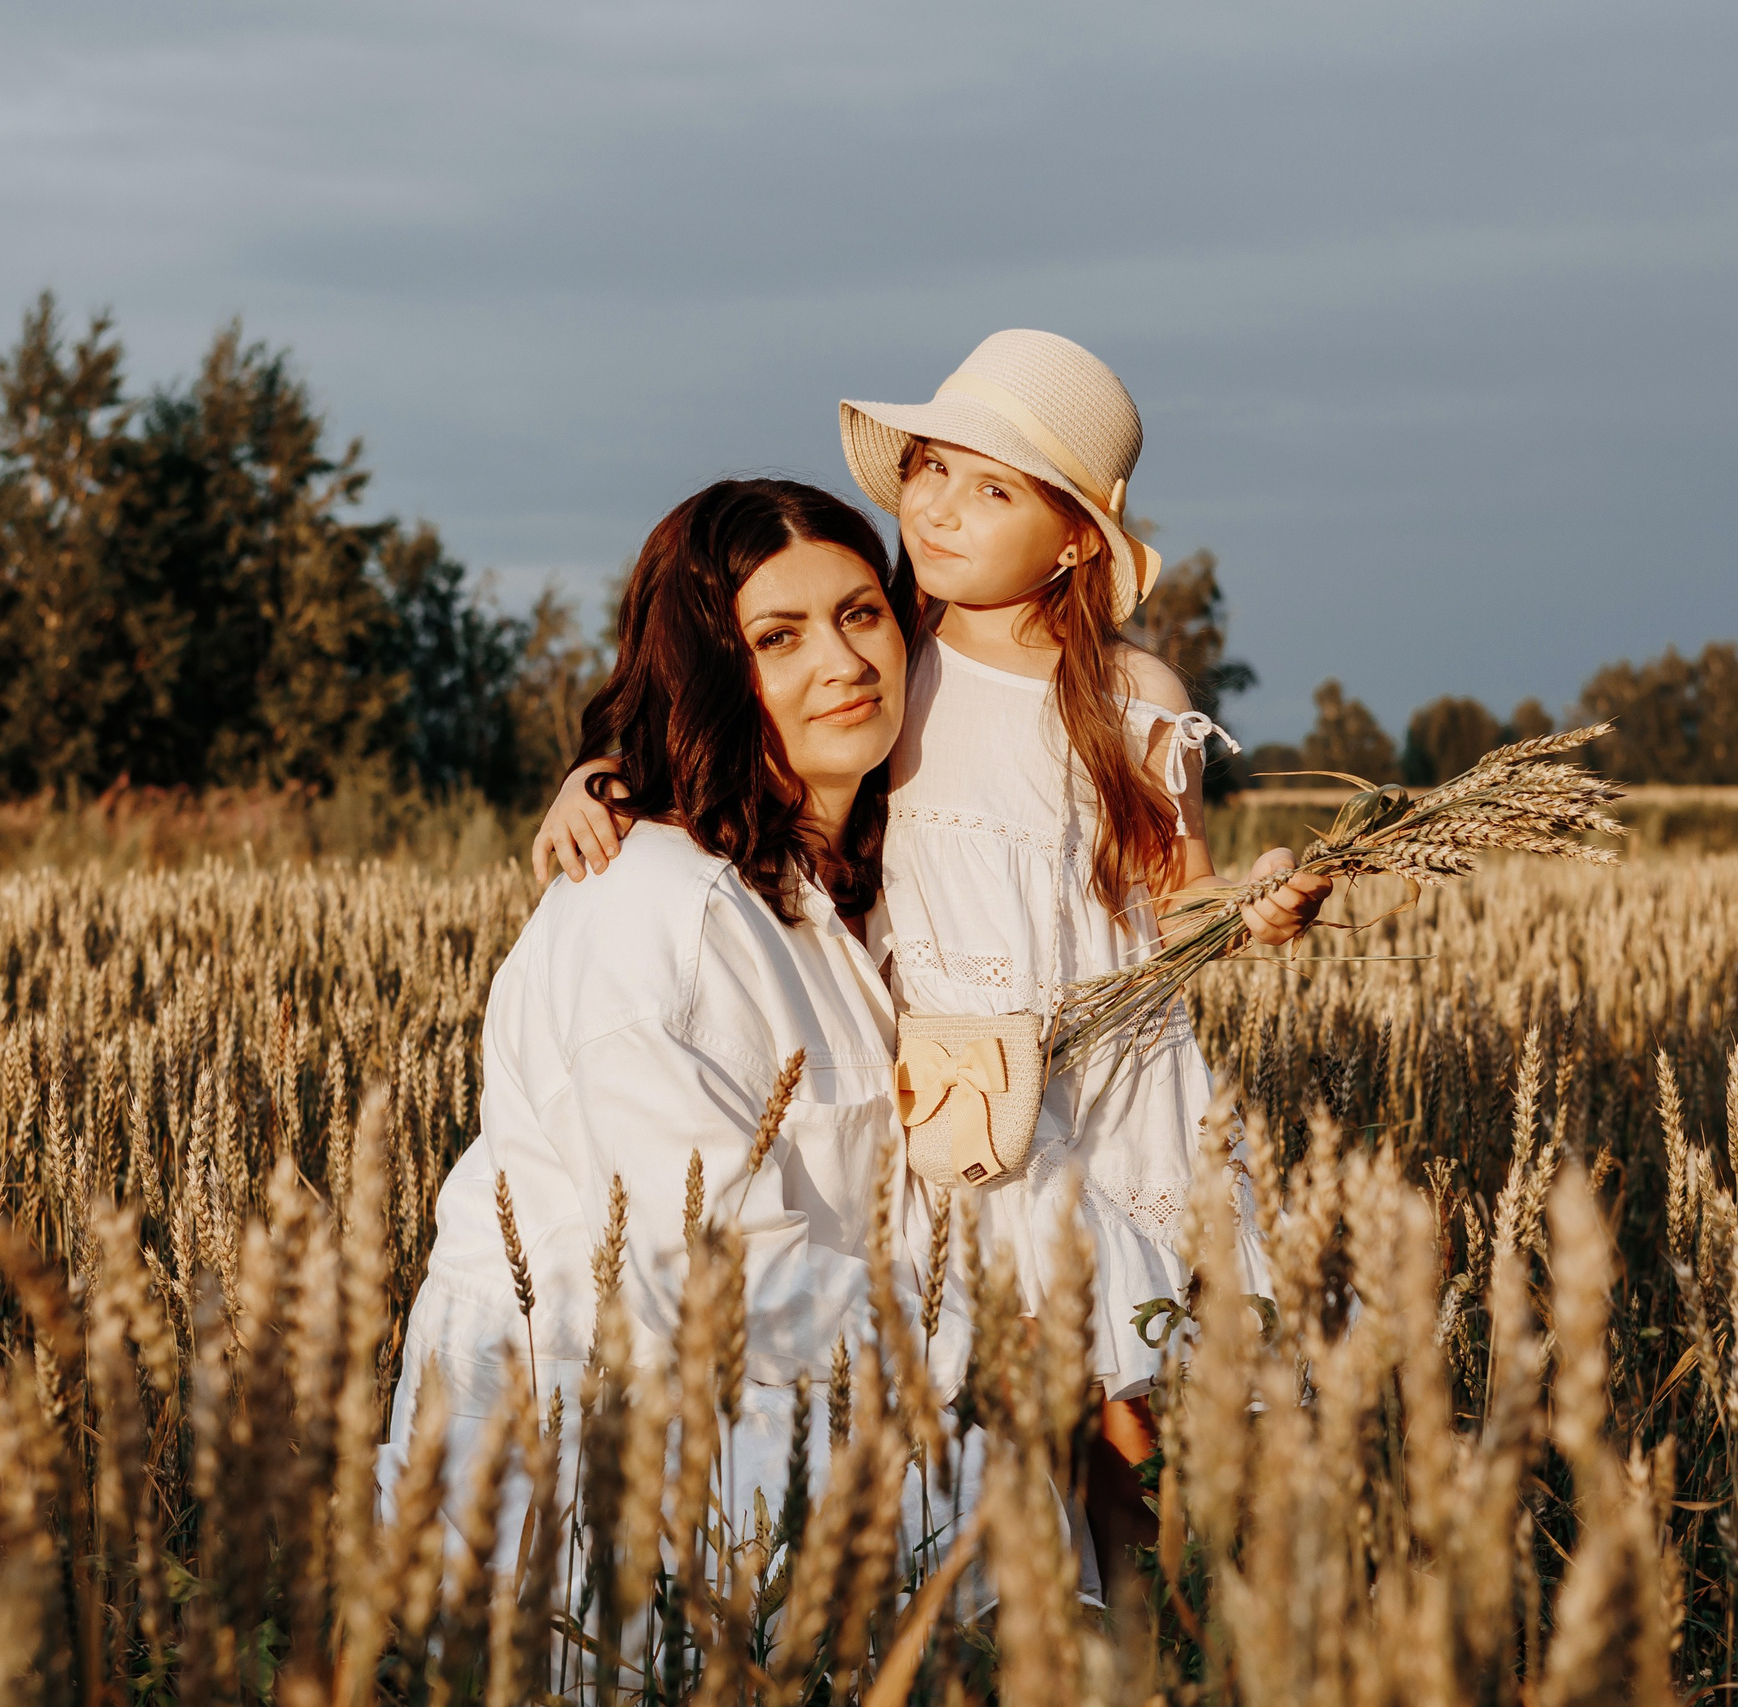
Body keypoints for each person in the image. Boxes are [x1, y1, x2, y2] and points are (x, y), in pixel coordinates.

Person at [531, 331, 1330, 1563]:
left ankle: (1181, 1617)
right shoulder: (889, 652)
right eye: (931, 470)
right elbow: (729, 731)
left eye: (993, 489)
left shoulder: (1130, 696)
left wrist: (1257, 904)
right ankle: (1078, 1617)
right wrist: (598, 780)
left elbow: (1178, 898)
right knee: (1023, 1406)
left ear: (1077, 539)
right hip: (964, 1101)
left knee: (1150, 1411)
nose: (942, 508)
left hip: (1110, 1086)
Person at [385, 478, 973, 1614]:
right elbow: (705, 1278)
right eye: (778, 637)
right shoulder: (650, 907)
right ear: (708, 672)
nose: (844, 662)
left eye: (861, 613)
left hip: (788, 1404)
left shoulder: (882, 874)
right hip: (592, 1495)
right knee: (992, 1511)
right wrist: (991, 1346)